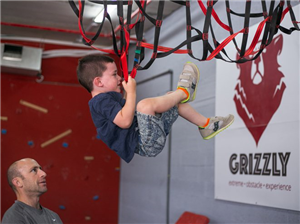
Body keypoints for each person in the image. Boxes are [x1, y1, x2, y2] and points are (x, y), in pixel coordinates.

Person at [77, 54, 234, 163]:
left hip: (150, 133)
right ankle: (185, 91)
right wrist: (131, 92)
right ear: (98, 82)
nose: (119, 78)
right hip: (145, 142)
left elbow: (126, 110)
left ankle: (206, 125)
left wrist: (126, 92)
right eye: (114, 74)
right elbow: (125, 121)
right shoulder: (99, 102)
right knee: (144, 105)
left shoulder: (107, 98)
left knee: (171, 99)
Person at [1, 158, 63, 224]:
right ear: (18, 182)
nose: (43, 174)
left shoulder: (53, 216)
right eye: (34, 170)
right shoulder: (13, 218)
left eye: (40, 169)